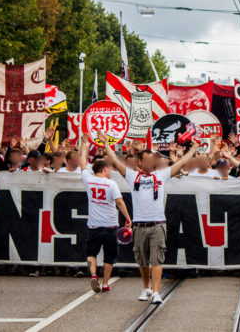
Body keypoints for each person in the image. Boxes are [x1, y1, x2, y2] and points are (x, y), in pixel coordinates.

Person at [99, 130, 198, 304]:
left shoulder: (161, 175)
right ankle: (146, 288)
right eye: (148, 160)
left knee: (157, 258)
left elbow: (181, 162)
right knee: (143, 260)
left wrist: (193, 149)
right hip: (139, 225)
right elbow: (114, 160)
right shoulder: (132, 176)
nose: (151, 162)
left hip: (158, 224)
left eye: (153, 160)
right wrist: (106, 143)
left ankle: (156, 291)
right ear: (140, 161)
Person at [78, 135, 132, 293]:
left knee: (91, 253)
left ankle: (93, 274)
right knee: (110, 256)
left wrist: (85, 148)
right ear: (104, 169)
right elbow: (120, 202)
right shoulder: (111, 183)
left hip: (93, 225)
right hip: (110, 225)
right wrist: (128, 218)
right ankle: (106, 283)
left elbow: (82, 164)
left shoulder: (88, 179)